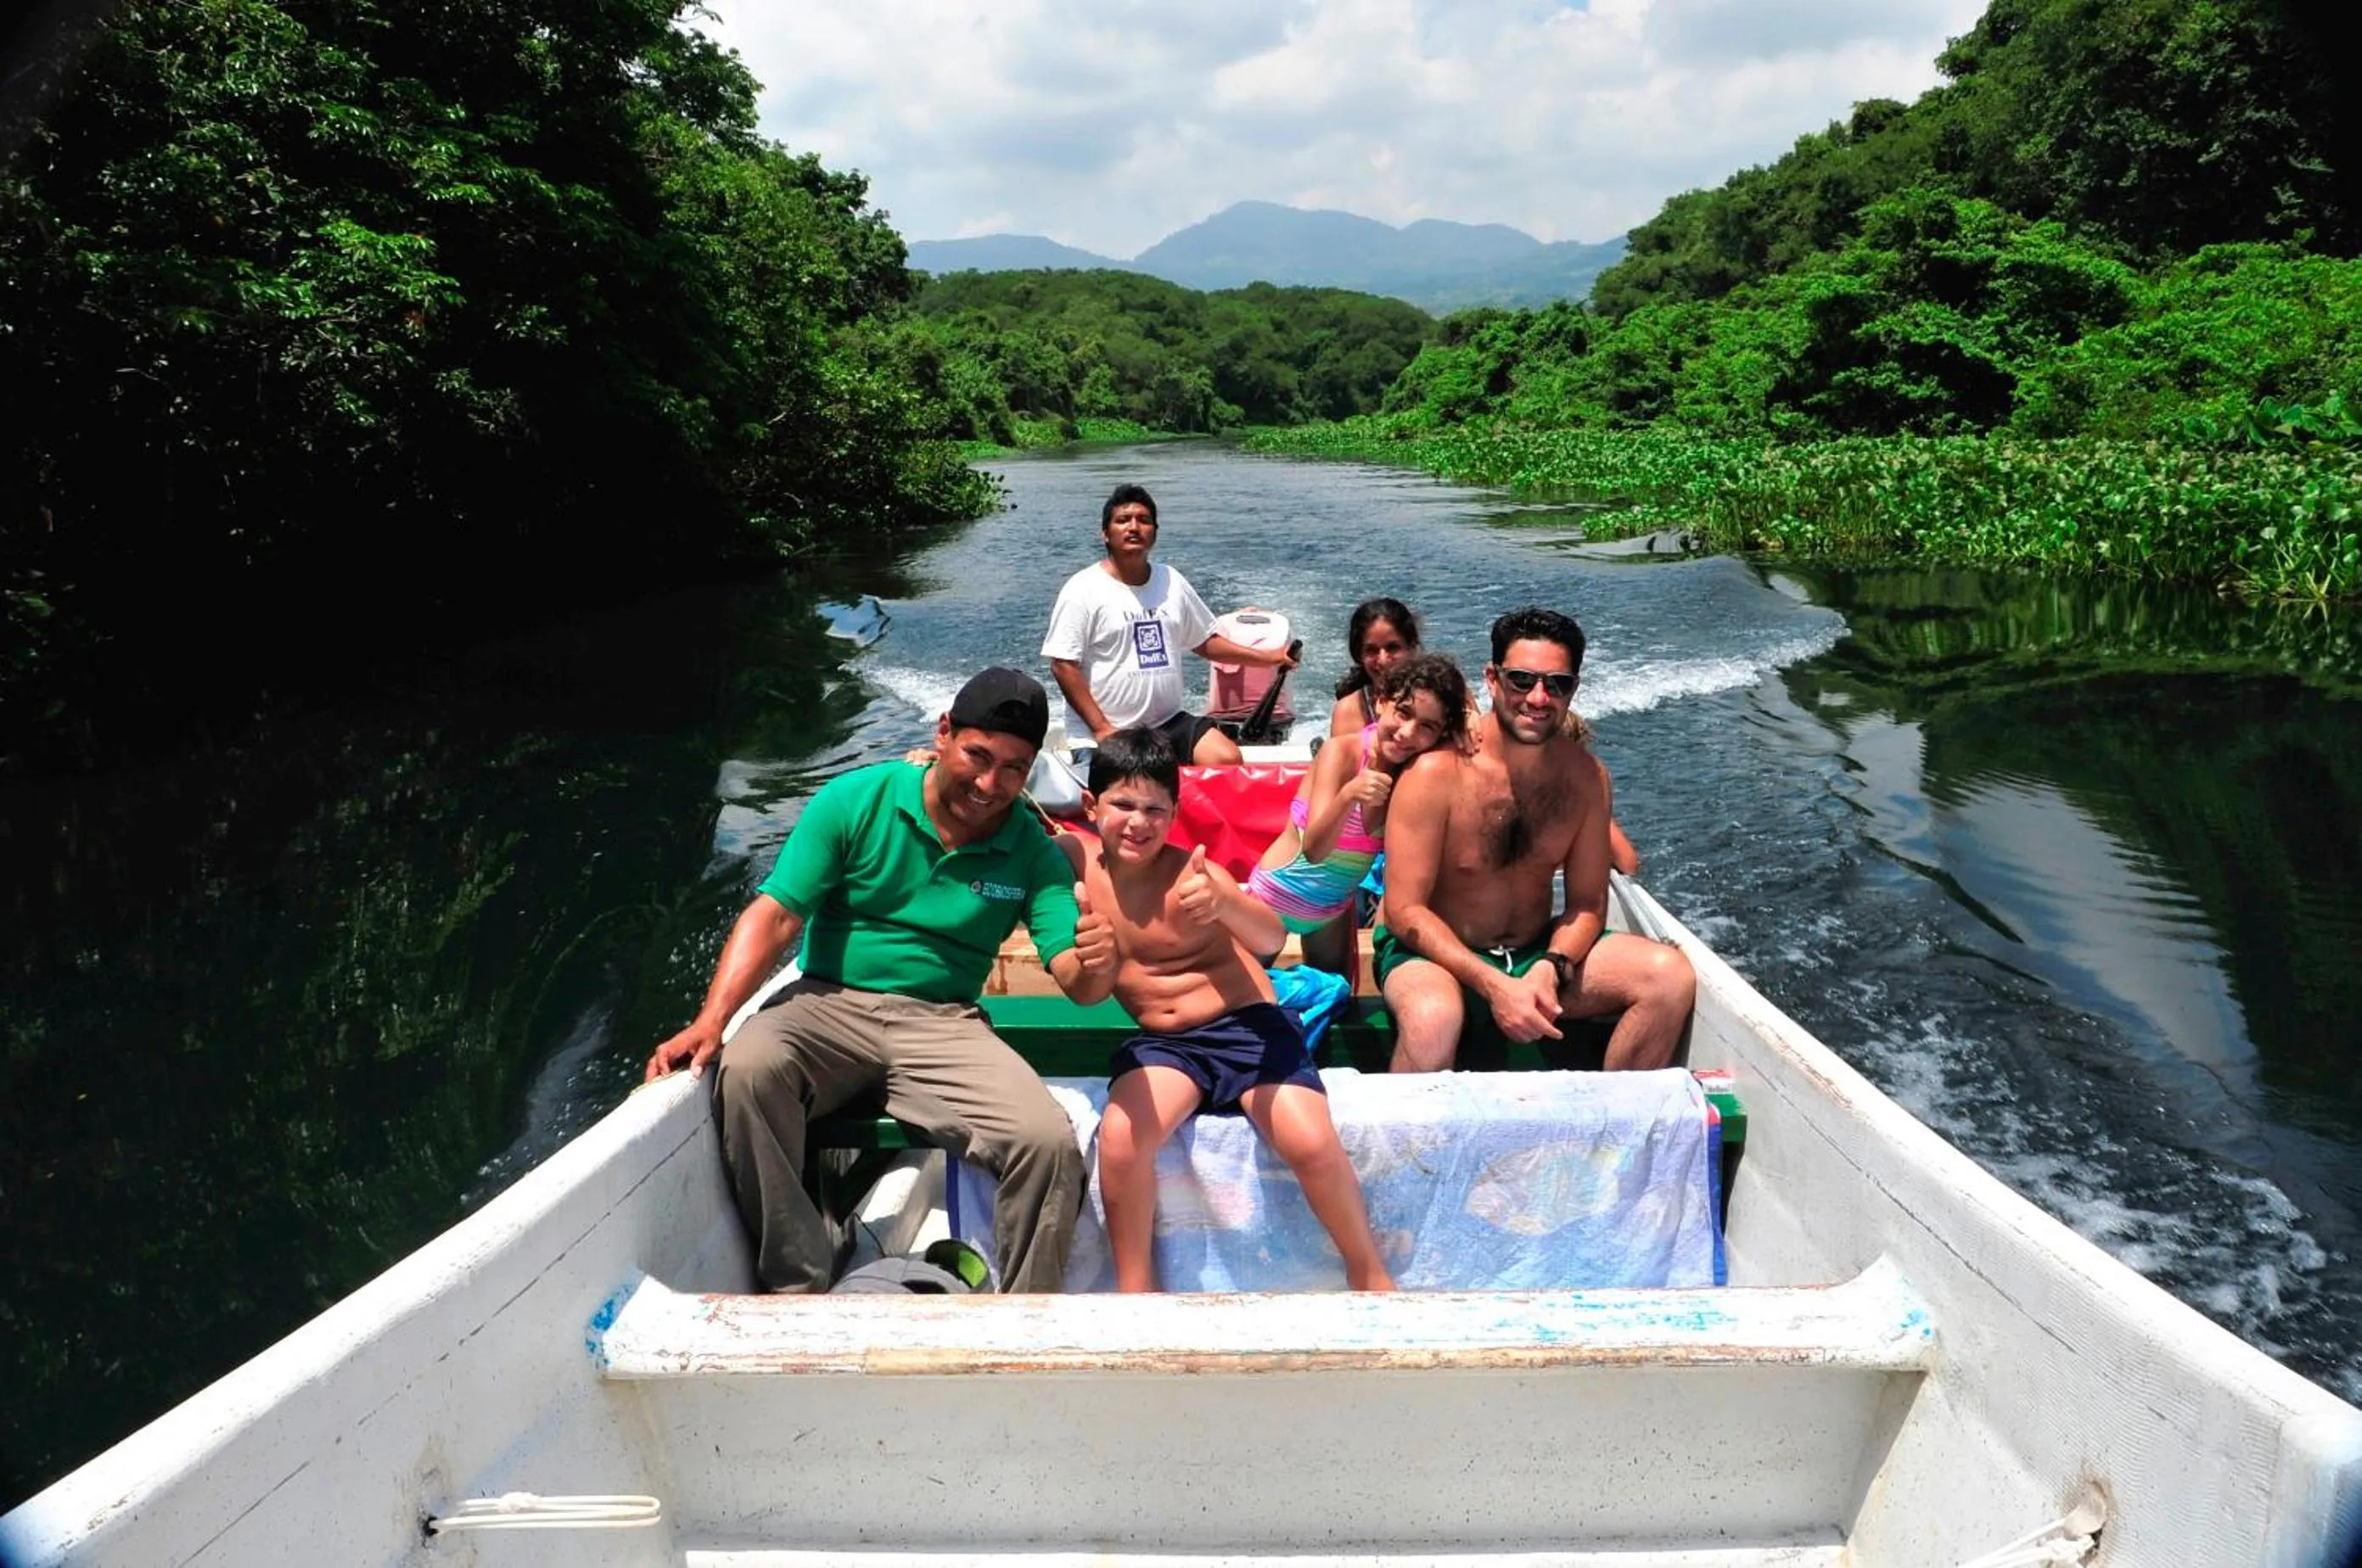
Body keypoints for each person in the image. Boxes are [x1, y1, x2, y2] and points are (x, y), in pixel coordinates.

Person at [643, 668, 1119, 1294]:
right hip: (826, 1004)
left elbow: (1075, 980)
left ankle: (1024, 1319)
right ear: (943, 733)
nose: (989, 783)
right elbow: (778, 913)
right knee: (750, 1069)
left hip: (942, 1022)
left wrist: (1097, 961)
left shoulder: (1030, 848)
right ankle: (798, 1288)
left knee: (1045, 1143)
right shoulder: (856, 800)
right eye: (977, 756)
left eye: (1013, 768)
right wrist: (713, 1021)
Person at [1069, 728, 1395, 1292]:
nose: (1138, 822)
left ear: (1174, 816)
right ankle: (1135, 1289)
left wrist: (1224, 904)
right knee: (1121, 1138)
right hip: (1168, 1048)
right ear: (1090, 807)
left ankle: (1367, 1271)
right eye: (1123, 805)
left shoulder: (1193, 876)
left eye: (1155, 810)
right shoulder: (1072, 859)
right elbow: (1005, 821)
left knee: (1309, 1142)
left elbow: (1268, 937)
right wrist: (926, 765)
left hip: (1245, 1028)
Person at [1374, 608, 1695, 1073]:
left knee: (1669, 977)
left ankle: (1611, 1138)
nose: (1538, 697)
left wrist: (1550, 966)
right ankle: (1400, 1147)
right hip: (1434, 958)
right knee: (1432, 1019)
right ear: (1492, 679)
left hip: (1534, 954)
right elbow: (1406, 913)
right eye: (1522, 680)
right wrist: (1494, 985)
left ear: (1573, 690)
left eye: (1557, 684)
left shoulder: (1587, 780)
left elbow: (1587, 903)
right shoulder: (1434, 774)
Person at [1042, 484, 1299, 767]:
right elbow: (1063, 665)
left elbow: (1205, 641)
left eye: (1144, 520)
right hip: (1103, 731)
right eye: (1122, 520)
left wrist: (1270, 658)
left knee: (1226, 759)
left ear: (1154, 533)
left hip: (1167, 723)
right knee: (1124, 795)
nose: (1134, 527)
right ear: (1106, 534)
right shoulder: (1082, 589)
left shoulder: (1171, 581)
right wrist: (1102, 729)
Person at [1249, 653, 1470, 976]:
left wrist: (1469, 724)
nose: (1408, 733)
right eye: (1403, 713)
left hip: (1331, 913)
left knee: (1337, 1004)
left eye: (1427, 726)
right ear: (1381, 702)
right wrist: (1348, 795)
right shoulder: (1340, 752)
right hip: (1272, 899)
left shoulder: (1413, 775)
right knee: (1241, 1011)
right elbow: (1314, 850)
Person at [1327, 597, 1422, 739]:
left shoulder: (1448, 696)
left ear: (1412, 648)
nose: (1383, 660)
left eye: (1393, 647)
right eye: (1372, 650)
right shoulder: (1348, 711)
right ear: (1359, 654)